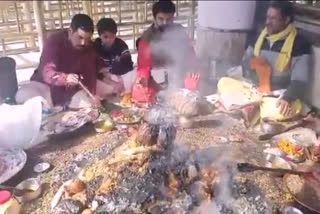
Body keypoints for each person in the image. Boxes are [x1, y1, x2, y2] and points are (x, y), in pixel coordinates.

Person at [217, 1, 311, 123]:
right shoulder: (259, 37)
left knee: (282, 110)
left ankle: (249, 109)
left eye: (273, 18)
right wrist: (256, 63)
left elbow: (300, 80)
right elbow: (245, 61)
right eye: (267, 17)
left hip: (277, 94)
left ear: (286, 20)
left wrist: (288, 98)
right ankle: (252, 107)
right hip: (253, 90)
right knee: (223, 83)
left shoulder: (299, 44)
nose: (268, 22)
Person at [15, 14, 117, 109]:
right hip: (45, 87)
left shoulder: (88, 46)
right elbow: (47, 73)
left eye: (87, 39)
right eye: (80, 37)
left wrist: (92, 95)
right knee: (22, 96)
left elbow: (90, 74)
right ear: (70, 31)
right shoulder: (55, 41)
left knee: (89, 105)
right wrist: (65, 78)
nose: (83, 42)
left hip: (70, 91)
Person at [131, 0, 200, 104]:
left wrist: (193, 71)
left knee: (192, 91)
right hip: (156, 80)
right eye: (161, 19)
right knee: (140, 94)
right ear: (154, 18)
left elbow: (190, 54)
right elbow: (143, 66)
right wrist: (144, 78)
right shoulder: (147, 38)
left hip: (179, 75)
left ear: (173, 17)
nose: (164, 22)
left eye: (169, 19)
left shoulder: (180, 31)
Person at [94, 18, 134, 96]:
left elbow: (128, 66)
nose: (109, 40)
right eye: (105, 37)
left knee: (135, 74)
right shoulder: (95, 46)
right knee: (94, 82)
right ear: (99, 35)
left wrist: (109, 69)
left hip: (120, 76)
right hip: (105, 80)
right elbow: (94, 71)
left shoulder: (121, 45)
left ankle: (121, 92)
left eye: (112, 36)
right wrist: (113, 83)